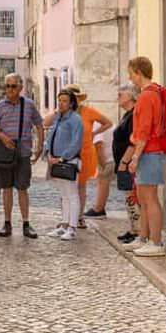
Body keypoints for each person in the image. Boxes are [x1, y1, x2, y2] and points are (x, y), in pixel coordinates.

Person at [43, 84, 112, 228]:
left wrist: (94, 133)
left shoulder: (88, 112)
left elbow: (108, 123)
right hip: (64, 153)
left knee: (80, 187)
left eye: (76, 98)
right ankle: (66, 219)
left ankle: (78, 218)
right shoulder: (61, 114)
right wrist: (57, 111)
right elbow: (46, 123)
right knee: (65, 187)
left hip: (84, 153)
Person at [124, 57, 166, 257]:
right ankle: (144, 238)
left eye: (131, 74)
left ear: (139, 73)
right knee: (142, 197)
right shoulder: (151, 93)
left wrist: (135, 157)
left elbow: (144, 129)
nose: (130, 78)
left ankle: (155, 242)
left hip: (149, 152)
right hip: (148, 151)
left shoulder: (147, 96)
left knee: (150, 199)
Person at [0, 73, 45, 238]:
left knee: (22, 188)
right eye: (7, 86)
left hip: (23, 152)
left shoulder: (29, 105)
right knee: (6, 189)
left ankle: (26, 223)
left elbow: (39, 124)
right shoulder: (0, 106)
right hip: (4, 154)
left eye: (13, 86)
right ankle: (7, 223)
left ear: (20, 88)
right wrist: (2, 137)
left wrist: (39, 148)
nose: (9, 89)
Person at [44, 90, 84, 241]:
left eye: (64, 101)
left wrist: (62, 157)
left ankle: (72, 228)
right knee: (64, 195)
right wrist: (48, 153)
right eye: (59, 100)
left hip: (69, 161)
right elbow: (50, 135)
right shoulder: (58, 118)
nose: (61, 103)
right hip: (55, 160)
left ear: (71, 103)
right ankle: (64, 224)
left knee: (72, 194)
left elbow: (76, 142)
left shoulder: (75, 119)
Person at [113, 82, 141, 244]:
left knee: (132, 196)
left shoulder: (134, 115)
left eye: (120, 95)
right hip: (125, 162)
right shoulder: (128, 114)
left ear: (130, 96)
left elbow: (133, 141)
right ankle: (134, 228)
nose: (117, 98)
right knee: (129, 196)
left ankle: (138, 231)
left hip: (129, 163)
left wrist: (124, 162)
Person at [85, 121, 115, 218]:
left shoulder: (97, 125)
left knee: (103, 182)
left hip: (107, 159)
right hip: (110, 158)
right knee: (103, 182)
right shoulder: (100, 123)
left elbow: (98, 146)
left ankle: (98, 209)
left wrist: (102, 164)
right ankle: (99, 207)